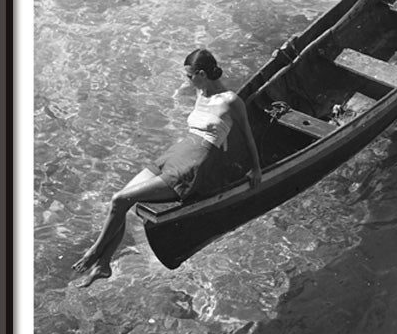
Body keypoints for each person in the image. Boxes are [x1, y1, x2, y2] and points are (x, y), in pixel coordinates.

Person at [72, 48, 262, 288]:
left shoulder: (231, 100)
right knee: (121, 203)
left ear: (202, 73)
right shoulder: (201, 92)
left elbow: (247, 135)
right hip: (174, 153)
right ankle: (103, 265)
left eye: (189, 75)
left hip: (194, 163)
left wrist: (255, 169)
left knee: (119, 199)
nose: (187, 80)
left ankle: (95, 251)